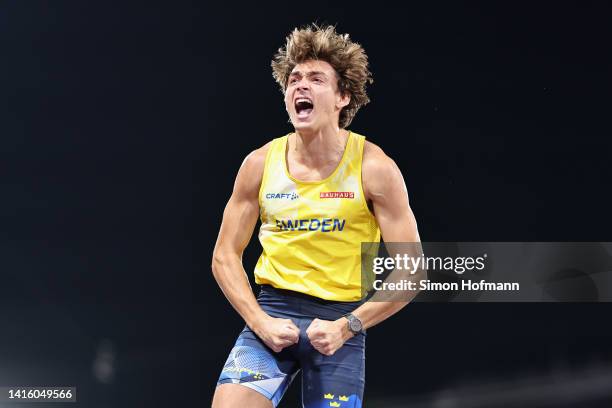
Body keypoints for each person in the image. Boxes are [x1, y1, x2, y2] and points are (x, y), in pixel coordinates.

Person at [211, 24, 421, 408]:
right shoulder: (259, 164)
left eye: (315, 79)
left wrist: (348, 326)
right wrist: (260, 322)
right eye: (294, 79)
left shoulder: (374, 168)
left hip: (339, 321)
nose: (300, 86)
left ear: (343, 96)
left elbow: (411, 270)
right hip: (274, 313)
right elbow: (224, 255)